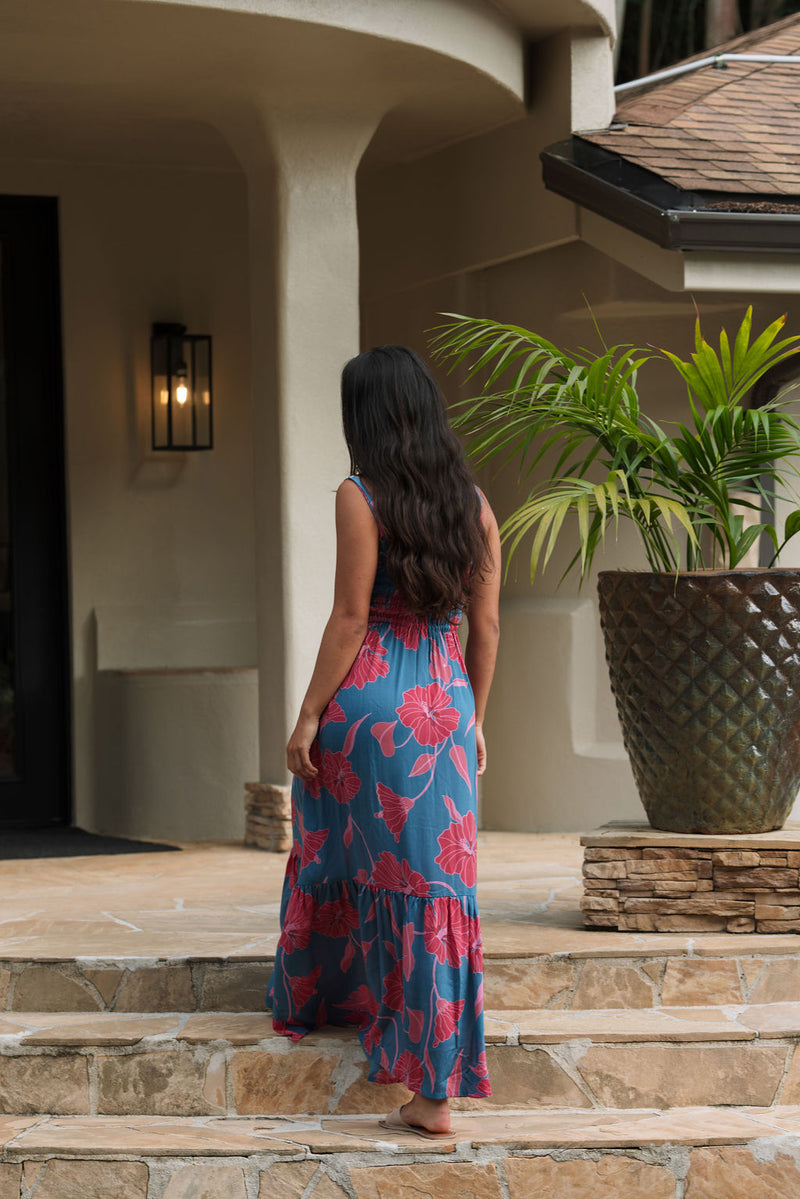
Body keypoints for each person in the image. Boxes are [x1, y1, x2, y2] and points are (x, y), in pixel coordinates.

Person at [266, 344, 501, 1139]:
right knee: (436, 887)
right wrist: (472, 720)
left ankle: (352, 1007)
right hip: (442, 701)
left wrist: (306, 717)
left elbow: (350, 615)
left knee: (348, 852)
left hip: (371, 704)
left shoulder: (359, 493)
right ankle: (434, 1080)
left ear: (363, 416)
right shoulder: (473, 504)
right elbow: (488, 625)